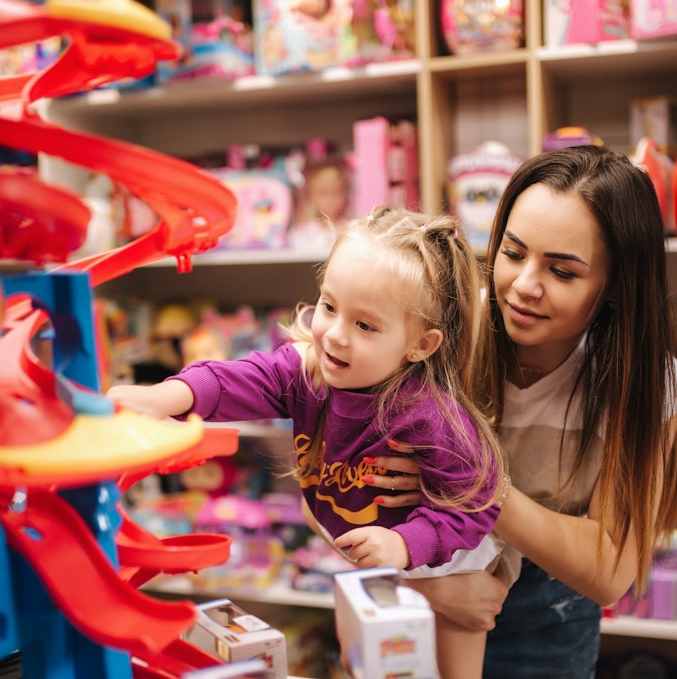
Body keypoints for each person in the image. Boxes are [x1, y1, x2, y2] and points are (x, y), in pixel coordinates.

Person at [107, 206, 508, 679]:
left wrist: (403, 545)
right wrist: (162, 397)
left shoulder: (429, 414)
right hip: (369, 559)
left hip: (447, 564)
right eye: (330, 306)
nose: (334, 335)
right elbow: (236, 379)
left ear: (420, 345)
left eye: (365, 325)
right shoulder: (309, 369)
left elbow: (474, 506)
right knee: (367, 662)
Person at [365, 145, 677, 678]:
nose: (524, 286)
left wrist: (480, 491)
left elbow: (609, 568)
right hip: (412, 599)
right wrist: (430, 582)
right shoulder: (439, 331)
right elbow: (325, 471)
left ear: (616, 285)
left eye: (563, 272)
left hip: (552, 624)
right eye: (514, 253)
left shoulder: (648, 386)